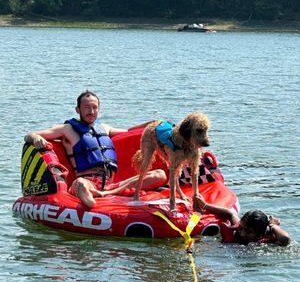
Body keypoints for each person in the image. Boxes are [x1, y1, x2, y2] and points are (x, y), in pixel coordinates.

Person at [24, 90, 167, 207]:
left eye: (94, 108)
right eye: (86, 108)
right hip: (87, 181)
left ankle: (106, 194)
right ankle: (92, 198)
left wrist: (150, 124)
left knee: (160, 175)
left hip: (111, 185)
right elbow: (30, 134)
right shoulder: (67, 129)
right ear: (77, 109)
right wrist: (36, 138)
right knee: (80, 185)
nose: (91, 111)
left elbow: (129, 131)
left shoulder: (104, 128)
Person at [194, 196, 290, 246]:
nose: (242, 233)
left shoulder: (266, 239)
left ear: (260, 234)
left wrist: (273, 226)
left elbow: (285, 240)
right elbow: (230, 213)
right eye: (241, 228)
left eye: (249, 232)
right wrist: (205, 205)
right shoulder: (237, 229)